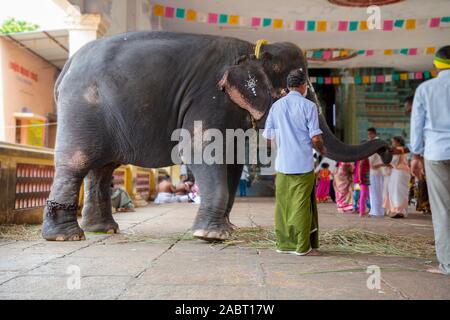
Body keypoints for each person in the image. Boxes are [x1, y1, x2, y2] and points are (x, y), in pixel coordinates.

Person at [263, 68, 326, 256]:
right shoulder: (309, 106)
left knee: (283, 206)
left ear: (288, 86)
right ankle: (302, 246)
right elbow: (315, 138)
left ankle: (283, 244)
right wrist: (322, 149)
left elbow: (268, 136)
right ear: (303, 85)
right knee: (301, 206)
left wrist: (282, 146)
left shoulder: (276, 107)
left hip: (282, 165)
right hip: (303, 165)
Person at [410, 45, 450, 275]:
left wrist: (416, 155)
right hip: (436, 153)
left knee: (443, 209)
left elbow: (417, 125)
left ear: (436, 65)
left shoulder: (426, 89)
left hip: (437, 154)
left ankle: (447, 264)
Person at [404, 94, 432, 214]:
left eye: (410, 111)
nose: (410, 115)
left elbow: (420, 142)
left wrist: (416, 157)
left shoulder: (427, 120)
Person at [385, 136, 410, 218]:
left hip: (398, 172)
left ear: (398, 142)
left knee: (396, 191)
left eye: (393, 142)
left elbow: (394, 162)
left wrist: (386, 163)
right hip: (405, 172)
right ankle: (402, 210)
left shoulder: (397, 150)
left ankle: (398, 211)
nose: (392, 143)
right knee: (403, 191)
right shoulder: (405, 149)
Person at [367, 128, 386, 217]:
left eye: (370, 134)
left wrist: (378, 164)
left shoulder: (376, 144)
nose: (369, 136)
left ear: (374, 133)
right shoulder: (375, 143)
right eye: (368, 134)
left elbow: (373, 159)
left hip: (376, 171)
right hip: (375, 171)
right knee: (375, 191)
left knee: (376, 192)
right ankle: (375, 210)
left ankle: (377, 211)